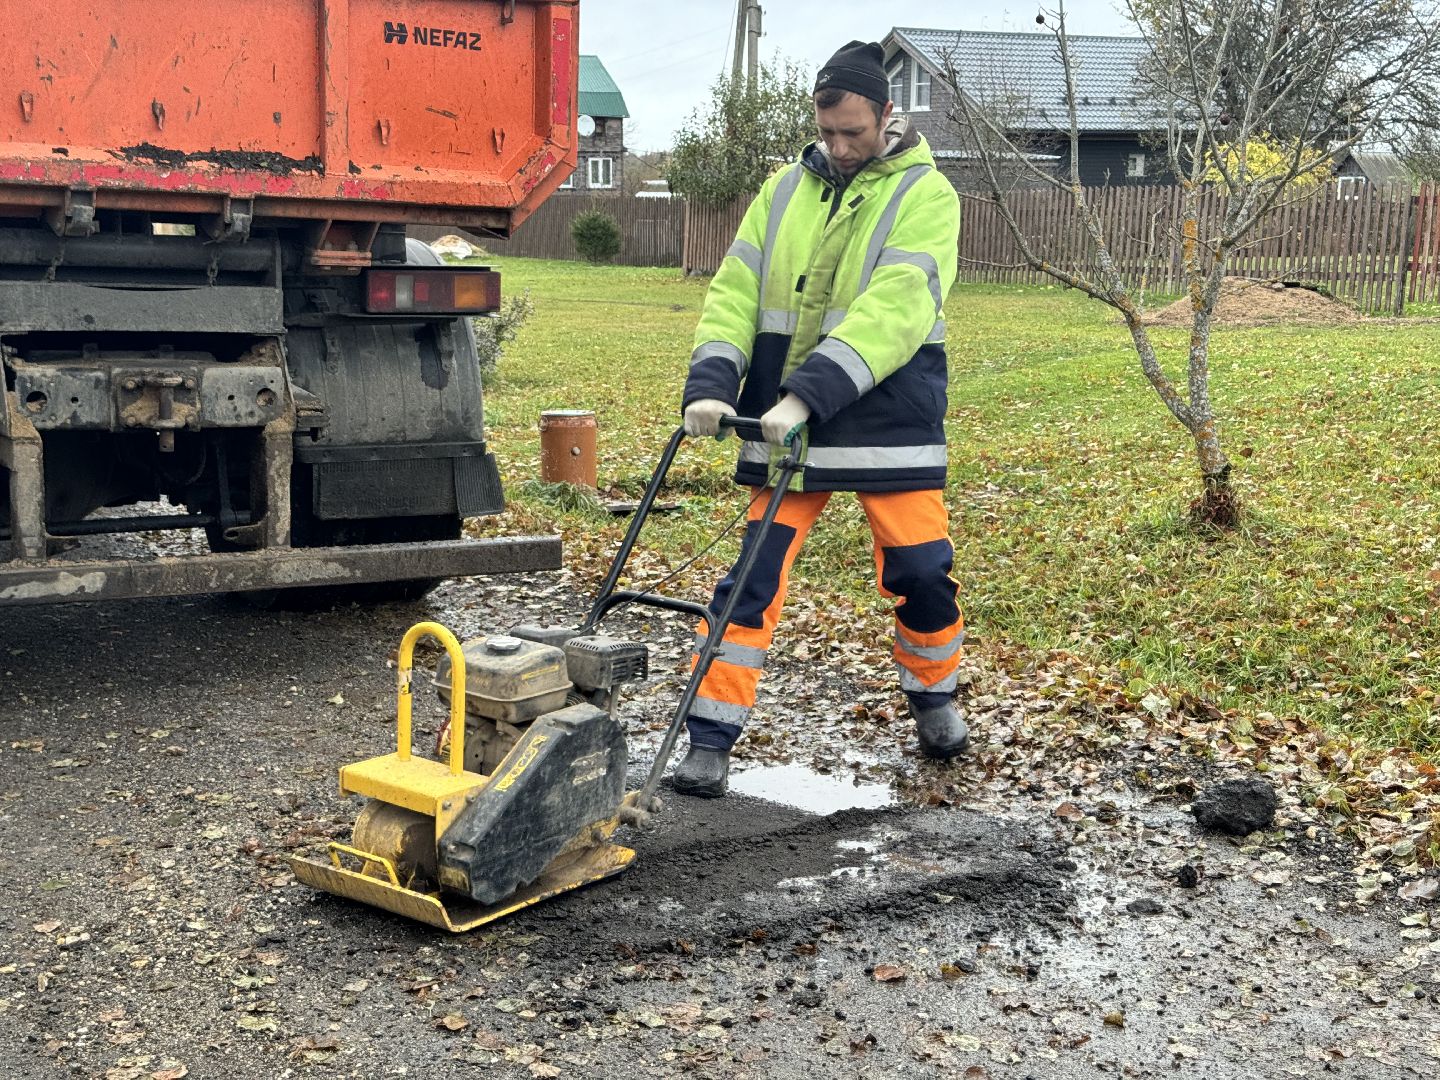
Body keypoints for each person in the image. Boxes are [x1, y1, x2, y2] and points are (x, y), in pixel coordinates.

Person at [672, 40, 966, 798]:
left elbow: (898, 307)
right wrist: (713, 379)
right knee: (751, 583)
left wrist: (810, 392)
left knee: (923, 574)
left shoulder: (927, 196)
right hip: (783, 425)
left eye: (853, 133)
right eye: (826, 131)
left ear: (886, 117)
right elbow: (737, 287)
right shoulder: (783, 191)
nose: (837, 148)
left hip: (885, 422)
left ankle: (934, 696)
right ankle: (708, 737)